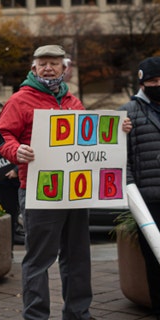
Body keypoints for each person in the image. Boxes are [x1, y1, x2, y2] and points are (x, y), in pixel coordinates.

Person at [0, 44, 131, 320]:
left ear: (64, 68)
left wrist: (118, 129)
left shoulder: (73, 101)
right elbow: (2, 137)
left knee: (78, 257)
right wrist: (15, 151)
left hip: (74, 192)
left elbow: (90, 136)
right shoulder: (19, 100)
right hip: (39, 191)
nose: (48, 68)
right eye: (43, 63)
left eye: (54, 63)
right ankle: (35, 316)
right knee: (39, 259)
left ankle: (78, 313)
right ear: (33, 68)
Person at [118, 56, 160, 319]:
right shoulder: (128, 112)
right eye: (154, 81)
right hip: (149, 200)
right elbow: (122, 160)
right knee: (155, 260)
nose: (159, 85)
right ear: (143, 83)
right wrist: (132, 192)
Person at [0, 102, 23, 246]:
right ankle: (7, 249)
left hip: (16, 178)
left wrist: (16, 170)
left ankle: (9, 246)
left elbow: (20, 149)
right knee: (8, 213)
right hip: (2, 178)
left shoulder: (17, 127)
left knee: (14, 213)